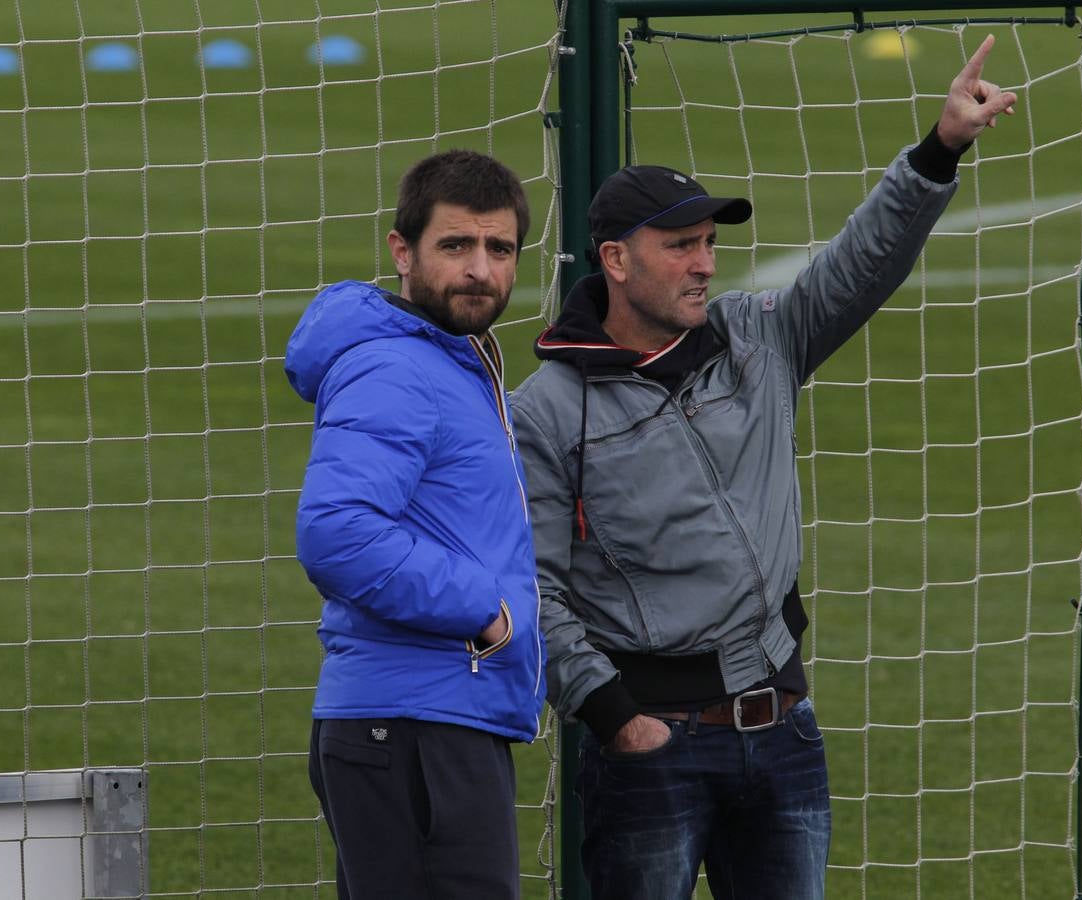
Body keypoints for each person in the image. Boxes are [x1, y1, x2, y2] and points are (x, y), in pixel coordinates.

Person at [509, 36, 1016, 899]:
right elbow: (534, 589)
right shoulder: (548, 410)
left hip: (782, 731)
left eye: (707, 242)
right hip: (649, 750)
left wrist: (940, 151)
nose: (705, 263)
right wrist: (616, 719)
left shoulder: (758, 337)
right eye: (679, 246)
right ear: (616, 260)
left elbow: (857, 268)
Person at [285, 149, 547, 899]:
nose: (480, 271)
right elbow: (337, 530)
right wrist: (484, 612)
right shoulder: (396, 369)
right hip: (412, 724)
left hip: (427, 717)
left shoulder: (448, 361)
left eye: (499, 249)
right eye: (455, 246)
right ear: (402, 251)